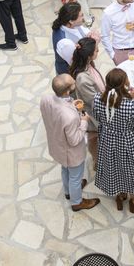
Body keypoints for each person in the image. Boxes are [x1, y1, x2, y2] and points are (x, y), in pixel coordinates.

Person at [40, 74, 100, 211]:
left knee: (65, 169)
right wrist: (84, 122)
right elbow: (74, 140)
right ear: (67, 91)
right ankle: (77, 202)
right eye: (73, 83)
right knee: (75, 176)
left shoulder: (46, 99)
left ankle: (68, 192)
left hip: (57, 145)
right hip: (71, 153)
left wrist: (70, 104)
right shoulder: (70, 116)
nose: (75, 82)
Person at [93, 68, 134, 213]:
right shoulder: (131, 104)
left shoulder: (97, 99)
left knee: (113, 166)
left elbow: (97, 117)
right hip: (128, 141)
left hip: (108, 139)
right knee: (132, 168)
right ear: (124, 83)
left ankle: (120, 194)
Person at [70, 37, 104, 170]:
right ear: (89, 56)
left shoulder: (89, 65)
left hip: (97, 107)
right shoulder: (83, 79)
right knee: (93, 138)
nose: (98, 51)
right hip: (93, 115)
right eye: (96, 50)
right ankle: (97, 161)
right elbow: (94, 101)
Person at [51, 2, 98, 74]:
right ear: (71, 21)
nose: (83, 18)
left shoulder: (72, 24)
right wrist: (95, 43)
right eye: (81, 16)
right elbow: (78, 63)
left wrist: (91, 35)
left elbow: (85, 32)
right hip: (71, 74)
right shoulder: (65, 43)